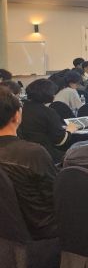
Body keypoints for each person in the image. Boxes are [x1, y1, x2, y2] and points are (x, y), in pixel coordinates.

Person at [0, 86, 58, 240]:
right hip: (42, 229)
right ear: (17, 116)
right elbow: (54, 197)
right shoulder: (33, 153)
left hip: (8, 232)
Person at [17, 79, 79, 162]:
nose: (54, 95)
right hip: (46, 154)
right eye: (53, 93)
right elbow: (60, 141)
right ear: (47, 94)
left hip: (24, 153)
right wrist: (70, 130)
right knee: (78, 156)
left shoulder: (21, 109)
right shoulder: (48, 112)